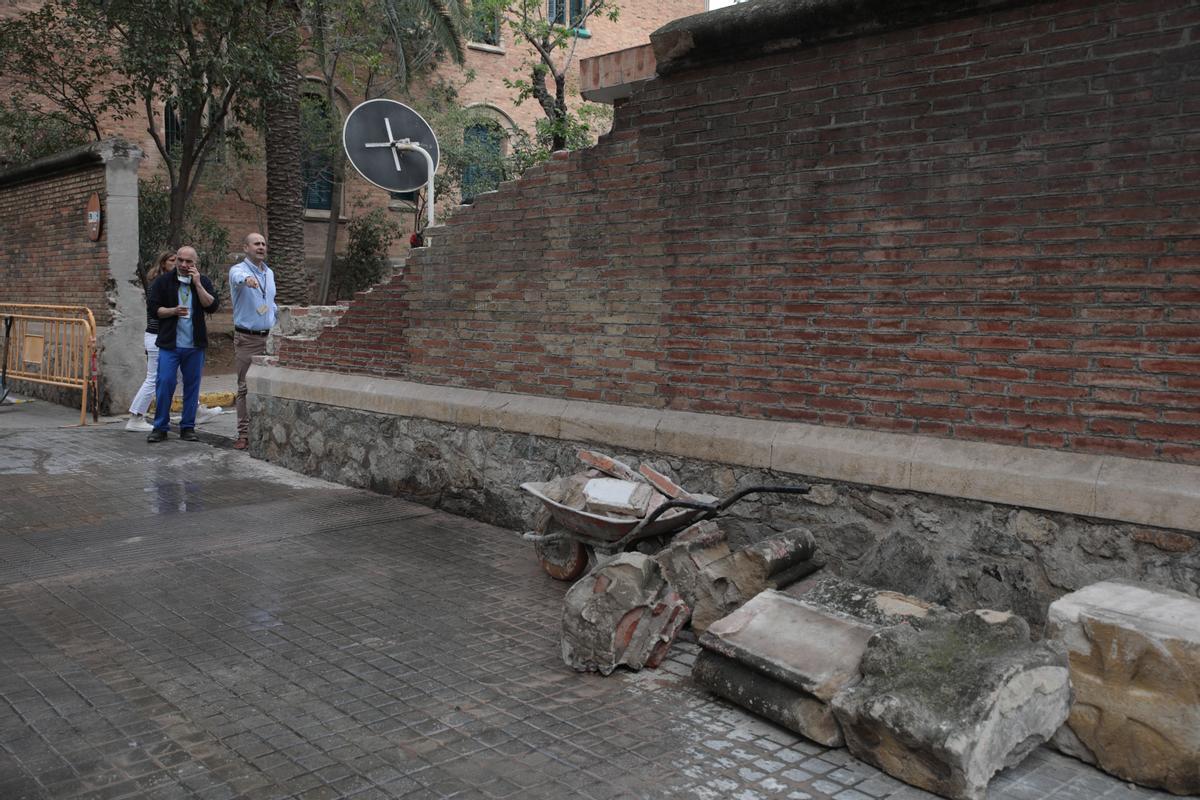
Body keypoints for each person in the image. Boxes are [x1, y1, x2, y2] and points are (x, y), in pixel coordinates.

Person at [126, 252, 221, 432]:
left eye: (188, 261)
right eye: (178, 260)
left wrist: (198, 284)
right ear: (167, 263)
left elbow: (212, 306)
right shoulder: (162, 283)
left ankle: (192, 417)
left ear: (195, 263)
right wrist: (173, 311)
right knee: (159, 379)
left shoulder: (198, 281)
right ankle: (139, 417)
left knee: (186, 380)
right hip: (160, 339)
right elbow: (153, 311)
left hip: (191, 345)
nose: (183, 264)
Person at [228, 232, 277, 451]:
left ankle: (267, 432)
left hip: (270, 337)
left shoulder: (269, 273)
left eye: (263, 244)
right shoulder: (238, 270)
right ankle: (244, 435)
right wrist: (246, 280)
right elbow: (238, 279)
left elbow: (270, 302)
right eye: (256, 243)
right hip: (247, 339)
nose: (261, 247)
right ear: (246, 247)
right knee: (244, 387)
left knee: (269, 385)